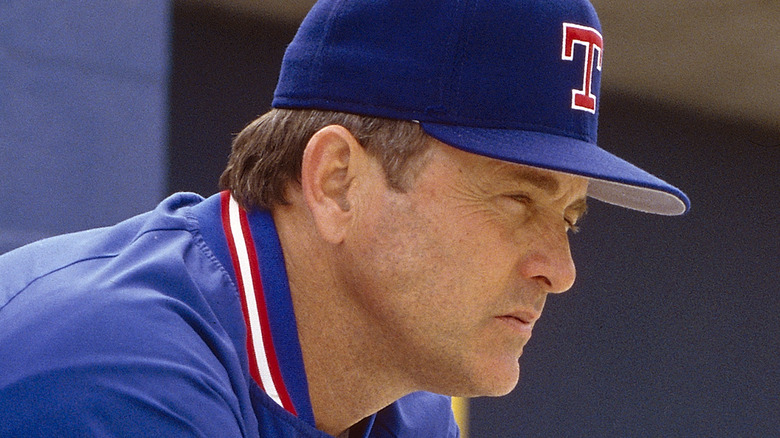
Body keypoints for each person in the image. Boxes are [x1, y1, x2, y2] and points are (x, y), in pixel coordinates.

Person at [0, 0, 690, 436]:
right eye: (518, 201)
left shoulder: (408, 410)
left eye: (569, 219)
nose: (559, 271)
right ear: (336, 183)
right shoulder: (113, 369)